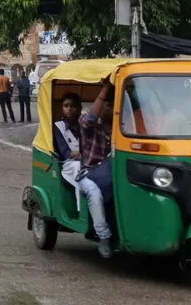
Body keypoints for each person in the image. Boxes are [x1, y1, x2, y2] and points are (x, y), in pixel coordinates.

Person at [79, 84, 115, 259]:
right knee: (94, 193)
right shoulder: (90, 124)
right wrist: (104, 90)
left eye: (114, 104)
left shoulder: (123, 127)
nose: (111, 108)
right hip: (90, 174)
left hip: (114, 175)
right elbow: (90, 119)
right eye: (108, 105)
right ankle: (104, 237)